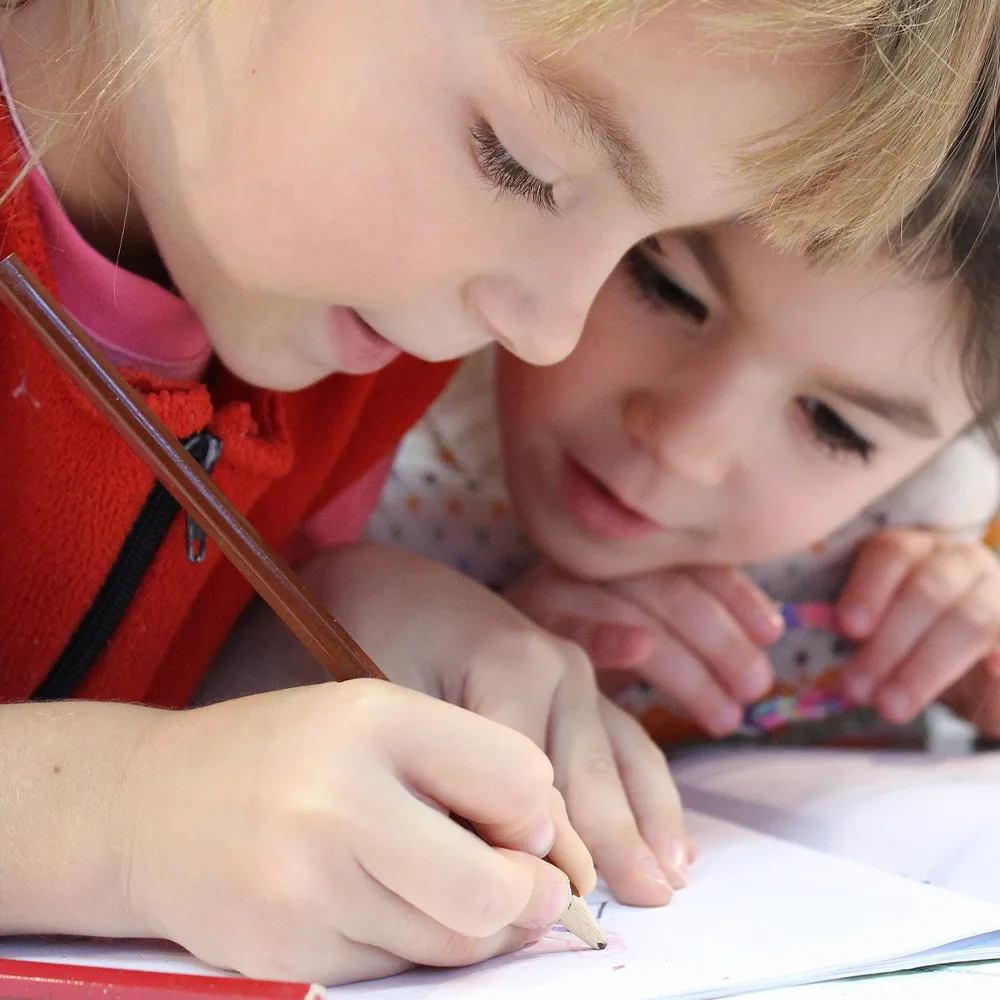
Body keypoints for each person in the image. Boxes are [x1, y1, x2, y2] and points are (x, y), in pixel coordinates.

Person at [2, 0, 999, 987]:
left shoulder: (358, 344)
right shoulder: (357, 307)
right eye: (522, 164)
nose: (547, 334)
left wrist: (308, 639)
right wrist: (122, 819)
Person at [365, 129, 1000, 763]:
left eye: (834, 425)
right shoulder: (367, 388)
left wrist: (976, 677)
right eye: (666, 288)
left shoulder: (925, 529)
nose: (682, 448)